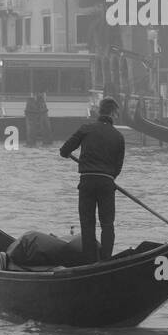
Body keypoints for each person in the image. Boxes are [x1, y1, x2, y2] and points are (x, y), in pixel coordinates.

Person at [59, 97, 125, 264]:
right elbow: (118, 168)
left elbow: (64, 150)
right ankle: (106, 261)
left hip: (87, 182)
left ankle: (90, 262)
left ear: (99, 111)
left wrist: (68, 154)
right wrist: (108, 177)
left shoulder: (86, 129)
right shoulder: (118, 137)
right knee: (107, 224)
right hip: (107, 183)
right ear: (113, 113)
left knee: (87, 224)